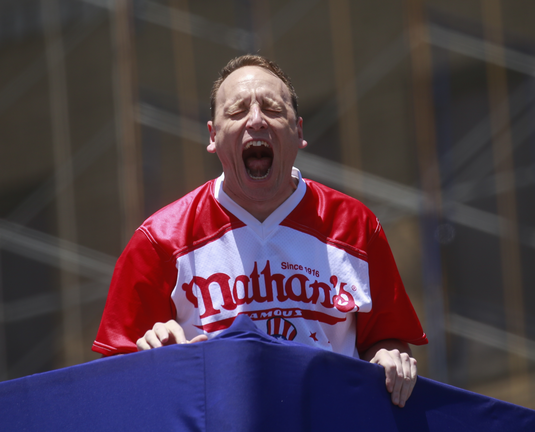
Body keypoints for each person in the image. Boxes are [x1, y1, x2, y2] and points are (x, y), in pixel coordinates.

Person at [92, 55, 428, 408]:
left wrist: (391, 358)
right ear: (213, 136)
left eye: (271, 108)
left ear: (298, 131)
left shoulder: (356, 226)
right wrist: (150, 357)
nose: (256, 120)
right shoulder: (158, 240)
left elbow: (386, 342)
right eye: (237, 111)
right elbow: (113, 384)